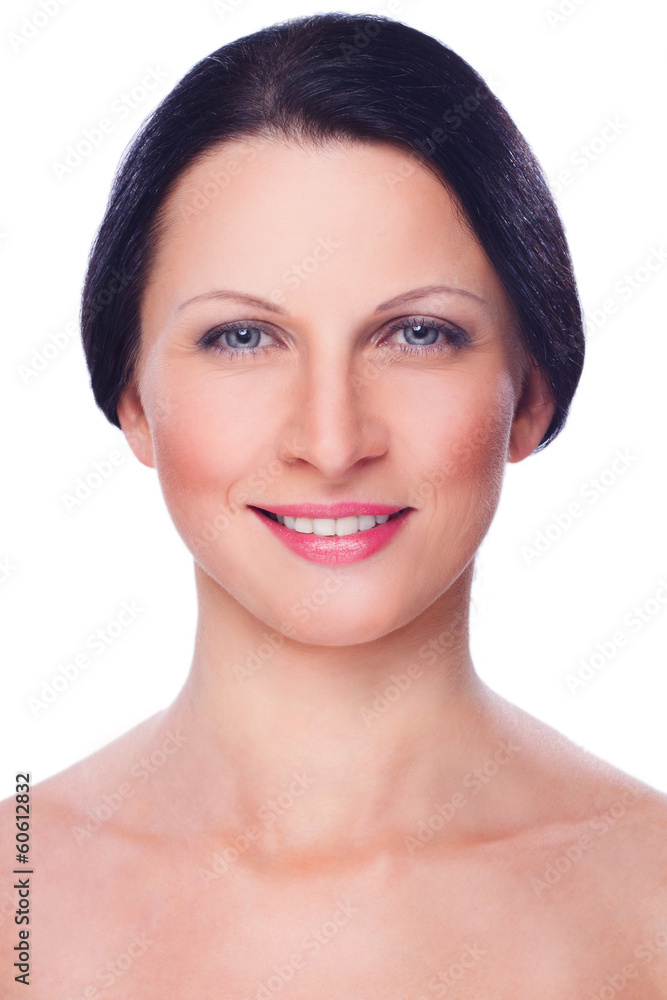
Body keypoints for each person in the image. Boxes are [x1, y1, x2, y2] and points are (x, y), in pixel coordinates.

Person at [2, 12, 666, 998]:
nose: (329, 440)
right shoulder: (18, 895)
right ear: (132, 401)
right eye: (241, 337)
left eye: (417, 333)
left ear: (529, 396)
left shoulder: (649, 897)